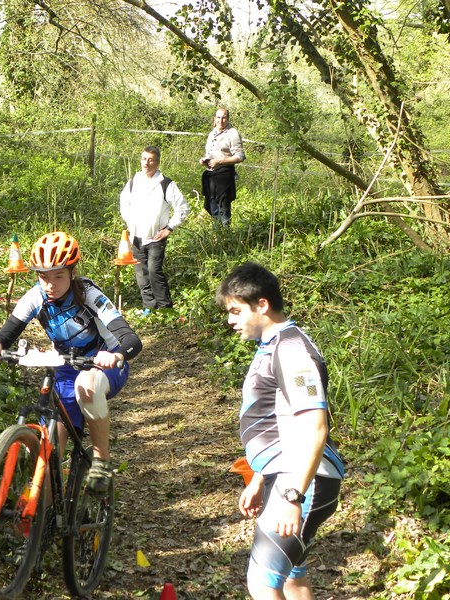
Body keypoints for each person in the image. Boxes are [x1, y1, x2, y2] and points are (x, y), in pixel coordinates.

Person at [215, 262, 344, 600]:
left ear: (262, 305)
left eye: (235, 310)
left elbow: (315, 427)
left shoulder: (291, 349)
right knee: (291, 577)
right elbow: (278, 420)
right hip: (285, 474)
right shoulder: (274, 345)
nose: (230, 320)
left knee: (262, 582)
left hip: (303, 479)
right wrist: (260, 477)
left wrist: (292, 496)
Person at [0, 232, 142, 492]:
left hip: (103, 364)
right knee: (50, 454)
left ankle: (101, 460)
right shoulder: (36, 296)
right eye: (43, 276)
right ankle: (42, 519)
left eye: (58, 276)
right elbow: (8, 331)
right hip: (67, 366)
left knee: (86, 386)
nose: (50, 284)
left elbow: (131, 338)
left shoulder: (89, 294)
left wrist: (117, 354)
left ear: (72, 272)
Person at [119, 145, 189, 316]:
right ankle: (149, 307)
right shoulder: (133, 182)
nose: (146, 163)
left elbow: (182, 208)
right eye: (144, 159)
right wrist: (130, 222)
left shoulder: (166, 184)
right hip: (136, 236)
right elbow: (124, 203)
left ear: (157, 162)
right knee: (141, 274)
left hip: (156, 237)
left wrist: (169, 228)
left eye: (150, 160)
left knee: (153, 271)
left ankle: (165, 308)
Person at [200, 107, 245, 226]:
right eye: (218, 117)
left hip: (224, 177)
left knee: (223, 211)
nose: (221, 120)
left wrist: (219, 162)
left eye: (224, 117)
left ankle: (226, 239)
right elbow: (211, 153)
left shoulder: (232, 133)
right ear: (214, 119)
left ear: (228, 118)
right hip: (211, 176)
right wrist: (205, 159)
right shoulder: (212, 133)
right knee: (213, 209)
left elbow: (240, 157)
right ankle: (217, 237)